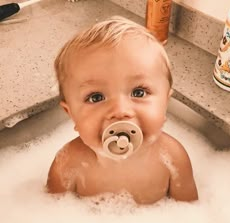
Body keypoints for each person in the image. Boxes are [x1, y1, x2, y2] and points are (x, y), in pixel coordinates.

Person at [47, 16, 198, 204]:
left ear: (165, 103)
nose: (120, 111)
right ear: (71, 114)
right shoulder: (68, 164)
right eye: (96, 97)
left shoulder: (173, 158)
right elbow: (52, 218)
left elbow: (189, 214)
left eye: (139, 92)